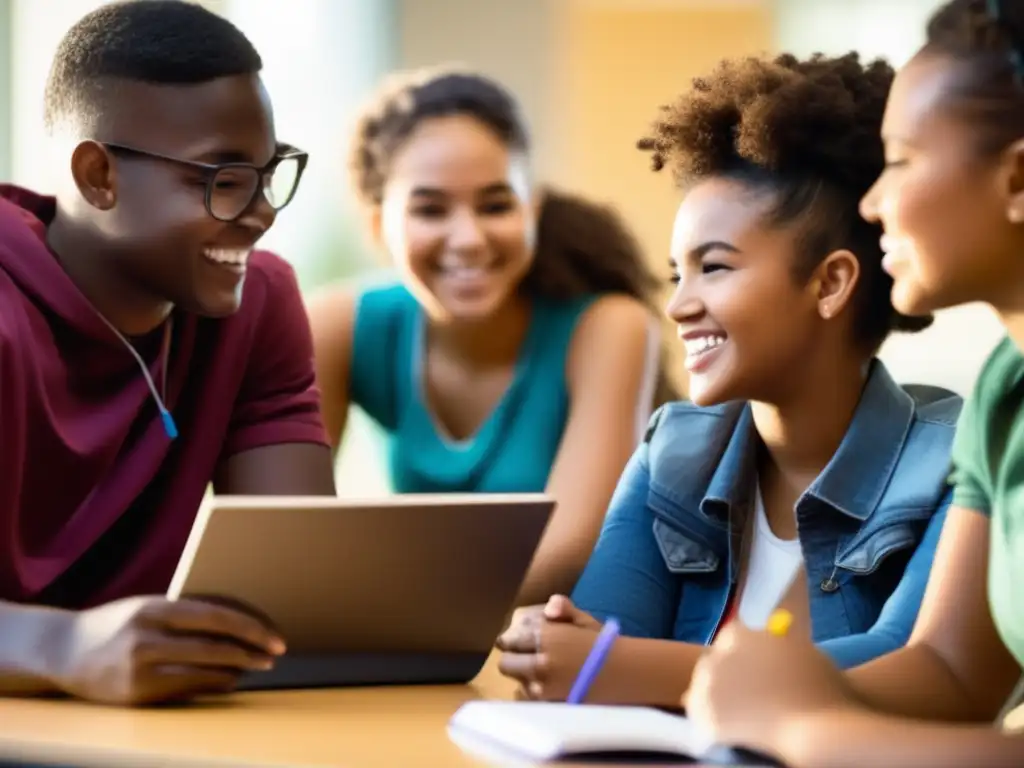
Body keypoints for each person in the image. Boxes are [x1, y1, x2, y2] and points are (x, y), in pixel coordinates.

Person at [496, 51, 962, 707]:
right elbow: (594, 641)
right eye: (675, 276)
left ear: (829, 283)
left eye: (713, 268)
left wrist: (623, 665)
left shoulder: (952, 461)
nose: (680, 306)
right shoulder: (676, 451)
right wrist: (552, 647)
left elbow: (911, 667)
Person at [684, 1, 1024, 765]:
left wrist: (806, 730)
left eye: (898, 162)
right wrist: (770, 681)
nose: (871, 205)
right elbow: (952, 670)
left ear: (1017, 177)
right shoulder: (1006, 387)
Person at [0, 0, 336, 707]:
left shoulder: (258, 304)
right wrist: (61, 648)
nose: (263, 212)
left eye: (268, 172)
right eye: (220, 179)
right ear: (98, 176)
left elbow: (296, 592)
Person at [307, 67, 671, 606]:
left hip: (571, 641)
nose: (469, 239)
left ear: (534, 210)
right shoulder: (338, 326)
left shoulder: (608, 327)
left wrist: (389, 604)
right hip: (433, 648)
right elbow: (290, 538)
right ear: (378, 226)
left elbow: (572, 555)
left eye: (496, 205)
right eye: (430, 209)